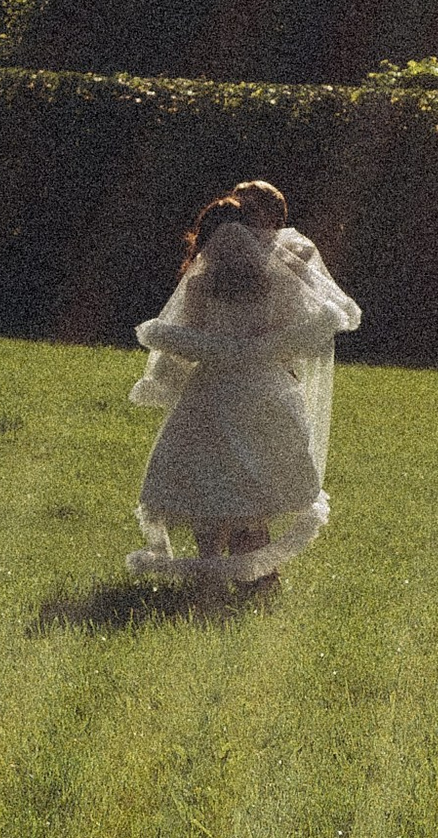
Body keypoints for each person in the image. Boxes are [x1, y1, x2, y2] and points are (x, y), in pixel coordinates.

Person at [127, 189, 361, 592]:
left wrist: (162, 380)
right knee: (253, 487)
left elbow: (189, 338)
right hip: (264, 390)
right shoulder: (278, 279)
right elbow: (298, 333)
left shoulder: (201, 284)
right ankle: (258, 577)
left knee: (211, 484)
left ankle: (210, 577)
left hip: (212, 391)